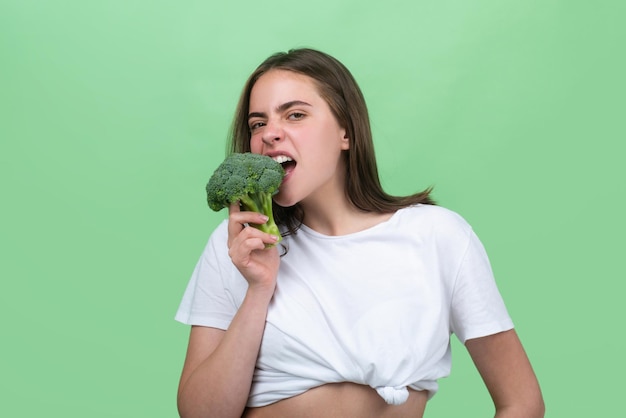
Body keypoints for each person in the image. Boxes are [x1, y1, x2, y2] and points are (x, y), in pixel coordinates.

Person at [175, 48, 545, 418]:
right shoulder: (239, 245)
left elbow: (521, 402)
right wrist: (258, 289)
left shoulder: (437, 236)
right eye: (258, 123)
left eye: (295, 114)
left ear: (345, 132)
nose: (270, 133)